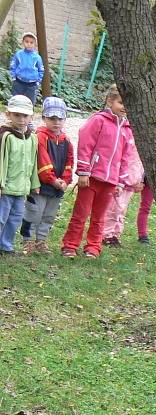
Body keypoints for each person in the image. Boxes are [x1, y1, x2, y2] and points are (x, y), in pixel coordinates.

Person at [61, 84, 134, 259]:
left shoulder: (127, 129)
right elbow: (86, 145)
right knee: (81, 214)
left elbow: (126, 157)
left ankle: (93, 247)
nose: (124, 107)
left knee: (99, 217)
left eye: (128, 104)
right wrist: (84, 172)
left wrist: (120, 182)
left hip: (110, 183)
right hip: (91, 178)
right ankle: (70, 246)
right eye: (121, 102)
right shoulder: (98, 120)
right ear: (110, 101)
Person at [22, 96, 73, 254]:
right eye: (52, 118)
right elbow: (42, 160)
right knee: (34, 213)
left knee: (49, 215)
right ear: (44, 117)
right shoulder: (40, 136)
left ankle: (41, 241)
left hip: (57, 187)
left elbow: (70, 161)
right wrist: (52, 180)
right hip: (41, 184)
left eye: (60, 118)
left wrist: (65, 180)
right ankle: (27, 241)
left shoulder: (66, 140)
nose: (56, 122)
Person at [0, 95, 40, 255]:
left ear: (32, 116)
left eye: (25, 115)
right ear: (8, 114)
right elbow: (1, 161)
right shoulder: (6, 136)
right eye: (17, 115)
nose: (21, 119)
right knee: (1, 218)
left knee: (15, 219)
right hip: (6, 188)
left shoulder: (32, 138)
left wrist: (34, 183)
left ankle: (6, 245)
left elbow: (34, 162)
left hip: (21, 189)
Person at [102, 141, 144, 247]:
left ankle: (116, 234)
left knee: (121, 210)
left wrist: (141, 179)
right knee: (114, 209)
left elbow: (141, 164)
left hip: (133, 180)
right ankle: (106, 234)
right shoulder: (127, 137)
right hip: (120, 180)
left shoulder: (143, 142)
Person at [9, 32, 44, 106]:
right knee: (16, 100)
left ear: (35, 44)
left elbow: (41, 69)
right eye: (27, 41)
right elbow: (13, 65)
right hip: (19, 82)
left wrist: (38, 81)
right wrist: (13, 77)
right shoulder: (19, 54)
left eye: (31, 42)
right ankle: (15, 115)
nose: (29, 44)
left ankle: (29, 116)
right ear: (23, 42)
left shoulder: (37, 57)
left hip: (32, 84)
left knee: (29, 103)